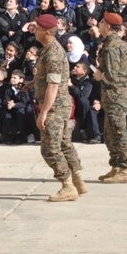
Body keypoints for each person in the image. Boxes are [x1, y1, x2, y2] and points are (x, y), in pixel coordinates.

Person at [30, 14, 86, 201]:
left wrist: (43, 113)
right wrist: (32, 83)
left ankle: (67, 186)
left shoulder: (53, 53)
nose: (33, 30)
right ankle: (78, 181)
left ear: (46, 32)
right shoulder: (49, 49)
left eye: (36, 28)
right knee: (63, 144)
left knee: (49, 149)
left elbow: (54, 86)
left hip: (54, 107)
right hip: (59, 105)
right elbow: (50, 78)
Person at [94, 12, 127, 183]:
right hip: (116, 94)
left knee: (117, 130)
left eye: (102, 22)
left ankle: (124, 169)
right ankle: (116, 166)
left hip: (115, 94)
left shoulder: (111, 47)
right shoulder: (116, 44)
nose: (100, 24)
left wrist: (99, 75)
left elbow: (111, 75)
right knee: (110, 131)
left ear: (108, 27)